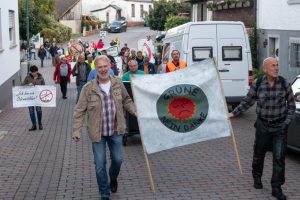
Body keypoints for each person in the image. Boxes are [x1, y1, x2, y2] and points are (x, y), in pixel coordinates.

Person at [228, 57, 296, 200]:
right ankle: (257, 177)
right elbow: (247, 102)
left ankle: (276, 188)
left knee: (279, 157)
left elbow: (291, 106)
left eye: (277, 65)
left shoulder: (284, 83)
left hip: (279, 126)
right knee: (259, 155)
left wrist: (286, 123)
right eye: (273, 66)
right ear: (265, 69)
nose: (276, 68)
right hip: (262, 125)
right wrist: (233, 113)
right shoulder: (258, 83)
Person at [72, 55, 136, 200]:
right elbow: (79, 110)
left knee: (118, 160)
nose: (102, 69)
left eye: (105, 66)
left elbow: (127, 100)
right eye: (99, 67)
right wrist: (76, 130)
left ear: (110, 66)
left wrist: (135, 111)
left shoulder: (118, 83)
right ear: (96, 68)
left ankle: (113, 177)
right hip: (97, 133)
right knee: (100, 165)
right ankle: (104, 192)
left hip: (116, 130)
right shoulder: (88, 88)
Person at [22, 65, 45, 131]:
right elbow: (22, 85)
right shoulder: (27, 77)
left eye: (35, 72)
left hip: (38, 97)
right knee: (31, 111)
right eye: (32, 72)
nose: (34, 73)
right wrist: (27, 85)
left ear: (37, 71)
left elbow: (44, 87)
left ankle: (40, 123)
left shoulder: (41, 78)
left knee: (39, 111)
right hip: (30, 98)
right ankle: (34, 125)